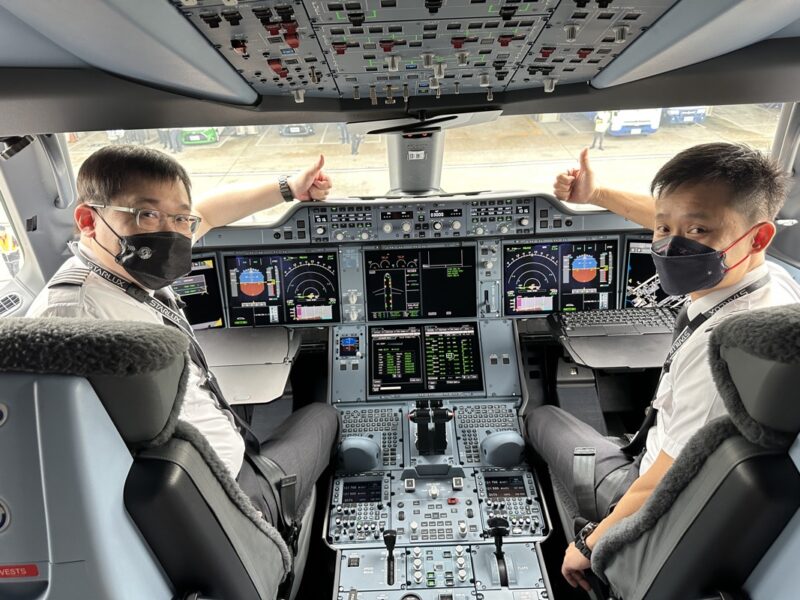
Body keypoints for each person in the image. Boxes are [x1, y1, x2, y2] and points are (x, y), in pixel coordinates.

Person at [27, 144, 339, 540]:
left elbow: (206, 213)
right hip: (225, 498)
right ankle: (284, 527)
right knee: (323, 416)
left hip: (206, 467)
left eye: (179, 218)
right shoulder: (74, 320)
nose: (171, 233)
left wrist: (290, 188)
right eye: (147, 213)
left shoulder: (123, 268)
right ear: (89, 219)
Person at [527, 143, 800, 591]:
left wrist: (592, 542)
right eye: (663, 227)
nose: (673, 244)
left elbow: (664, 481)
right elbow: (681, 220)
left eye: (698, 231)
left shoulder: (719, 348)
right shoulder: (776, 288)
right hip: (672, 454)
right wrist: (598, 196)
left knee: (540, 416)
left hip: (642, 485)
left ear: (758, 237)